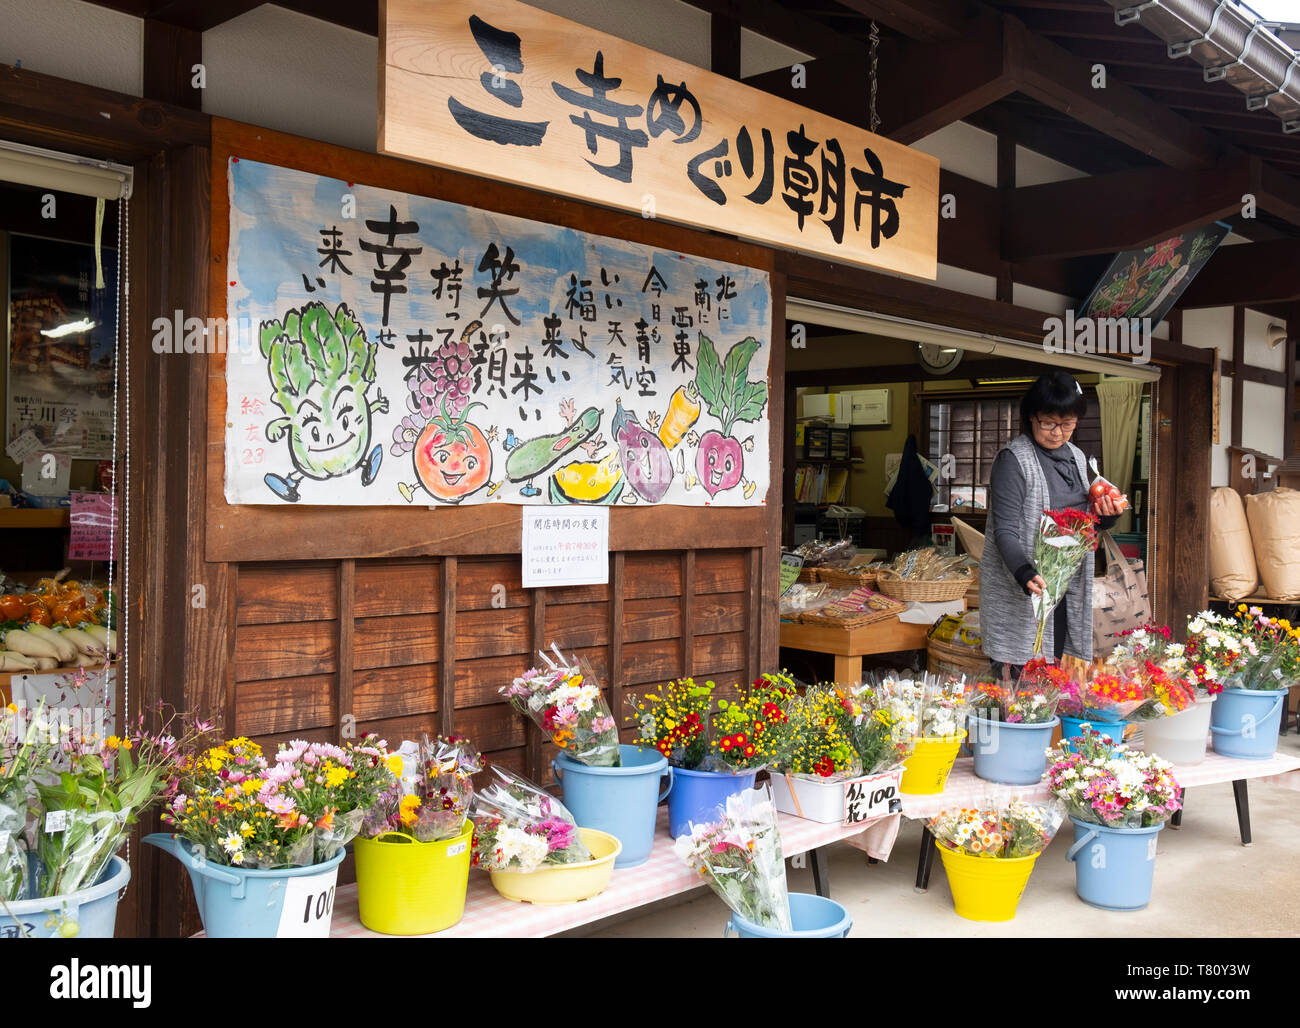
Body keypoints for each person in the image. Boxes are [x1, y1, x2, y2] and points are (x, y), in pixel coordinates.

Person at [979, 371, 1125, 678]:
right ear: (1031, 417)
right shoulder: (1013, 460)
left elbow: (1087, 527)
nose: (1058, 432)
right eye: (1049, 422)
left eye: (1067, 423)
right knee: (1016, 680)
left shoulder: (1076, 456)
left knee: (1051, 677)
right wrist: (1024, 572)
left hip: (1064, 590)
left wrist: (1108, 516)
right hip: (1024, 590)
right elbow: (1003, 531)